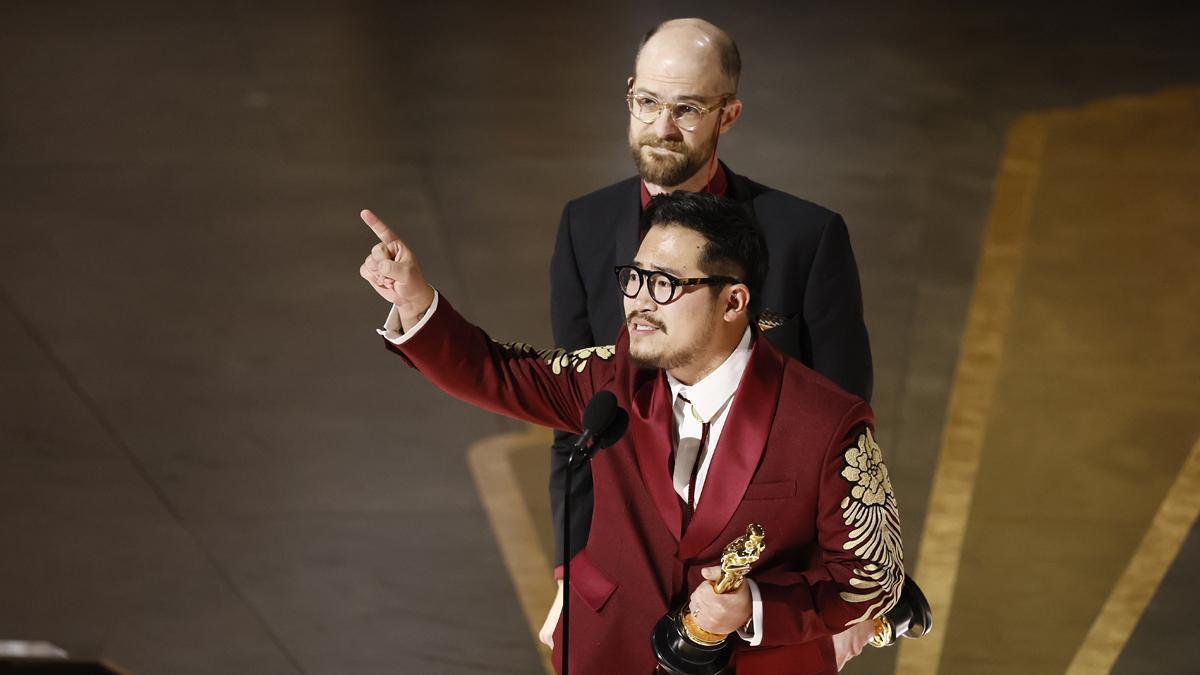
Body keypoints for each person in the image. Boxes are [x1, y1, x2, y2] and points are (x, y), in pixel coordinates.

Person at [359, 191, 902, 674]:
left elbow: (873, 575)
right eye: (635, 278)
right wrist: (412, 301)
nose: (638, 301)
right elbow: (495, 372)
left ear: (734, 302)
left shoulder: (827, 422)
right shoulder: (614, 379)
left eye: (665, 284)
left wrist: (755, 606)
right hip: (608, 651)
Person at [546, 18, 874, 645]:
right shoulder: (582, 226)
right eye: (647, 102)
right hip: (625, 575)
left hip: (762, 589)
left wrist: (836, 605)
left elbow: (846, 431)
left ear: (729, 115)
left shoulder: (808, 238)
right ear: (629, 95)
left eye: (688, 109)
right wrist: (569, 569)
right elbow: (577, 420)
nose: (662, 128)